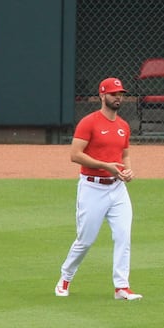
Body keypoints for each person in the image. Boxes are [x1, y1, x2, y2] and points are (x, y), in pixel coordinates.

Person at [54, 77, 142, 300]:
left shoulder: (123, 126)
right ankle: (65, 277)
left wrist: (128, 171)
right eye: (114, 94)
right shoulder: (89, 122)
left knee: (123, 236)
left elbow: (125, 154)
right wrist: (106, 166)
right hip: (92, 188)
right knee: (85, 240)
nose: (118, 97)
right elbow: (75, 155)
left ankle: (121, 287)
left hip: (118, 188)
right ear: (103, 96)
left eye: (121, 93)